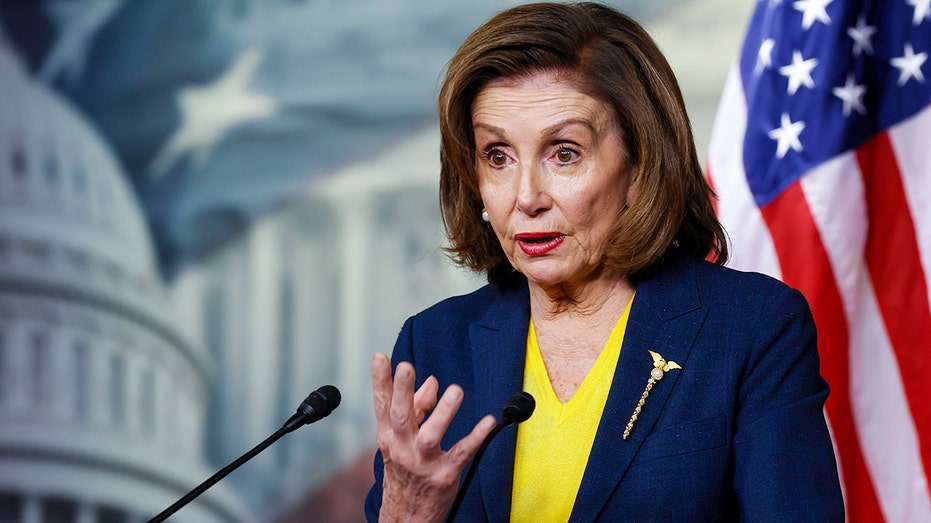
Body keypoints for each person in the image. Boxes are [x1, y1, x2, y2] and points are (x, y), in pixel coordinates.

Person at [366, 2, 845, 521]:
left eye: (564, 153)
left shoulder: (750, 329)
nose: (526, 197)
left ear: (640, 165)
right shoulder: (436, 341)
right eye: (497, 156)